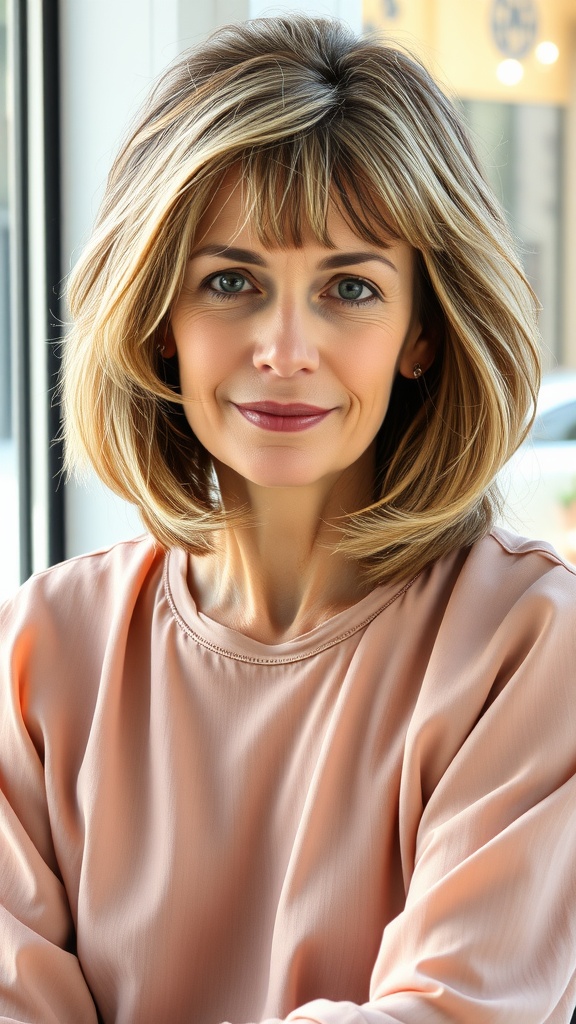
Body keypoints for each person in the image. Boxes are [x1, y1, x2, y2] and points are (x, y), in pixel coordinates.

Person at [1, 14, 575, 1024]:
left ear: (422, 333)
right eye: (231, 281)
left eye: (350, 288)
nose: (284, 348)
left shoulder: (529, 646)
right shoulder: (42, 647)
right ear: (160, 318)